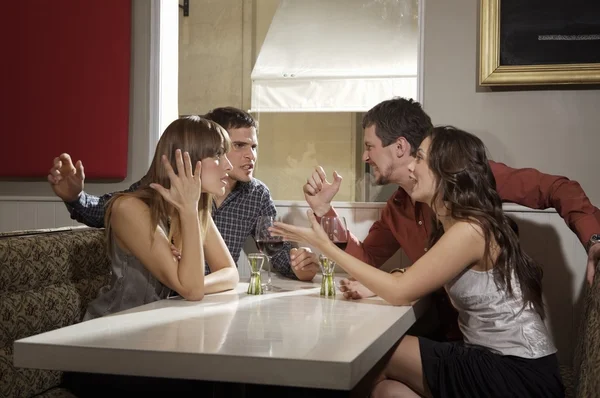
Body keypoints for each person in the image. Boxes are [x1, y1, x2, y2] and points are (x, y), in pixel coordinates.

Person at [271, 126, 565, 397]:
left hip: (517, 372)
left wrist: (323, 244)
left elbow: (402, 292)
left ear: (446, 170)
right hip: (492, 359)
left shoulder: (471, 229)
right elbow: (420, 273)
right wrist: (375, 286)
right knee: (386, 392)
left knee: (375, 354)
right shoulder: (453, 224)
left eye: (420, 158)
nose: (411, 166)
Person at [302, 97, 600, 305]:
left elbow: (559, 188)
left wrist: (594, 239)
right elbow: (366, 260)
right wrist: (324, 211)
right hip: (436, 329)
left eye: (369, 146)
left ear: (400, 147)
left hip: (484, 342)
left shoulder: (468, 177)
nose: (365, 157)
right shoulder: (397, 208)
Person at [47, 107, 318, 281]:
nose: (251, 155)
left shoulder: (256, 194)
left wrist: (300, 263)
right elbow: (111, 209)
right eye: (237, 146)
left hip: (206, 301)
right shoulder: (166, 188)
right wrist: (76, 197)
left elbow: (275, 254)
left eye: (254, 147)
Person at [84, 115, 239, 320]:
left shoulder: (196, 207)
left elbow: (229, 272)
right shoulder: (129, 208)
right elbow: (191, 291)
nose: (228, 165)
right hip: (111, 331)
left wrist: (193, 285)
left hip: (159, 325)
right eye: (218, 154)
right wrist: (190, 286)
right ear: (186, 160)